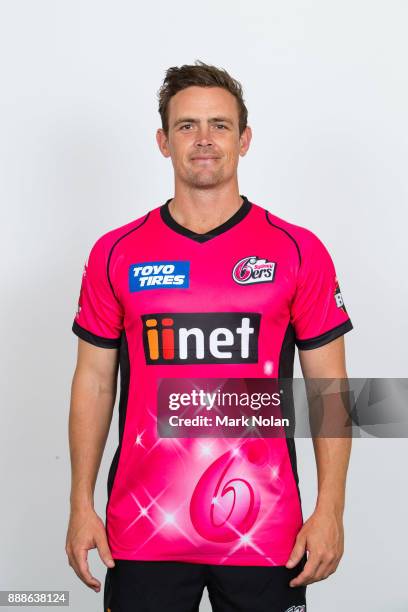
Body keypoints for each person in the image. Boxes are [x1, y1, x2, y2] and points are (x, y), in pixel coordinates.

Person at [65, 60, 353, 612]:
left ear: (244, 140)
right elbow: (95, 383)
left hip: (268, 534)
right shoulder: (115, 252)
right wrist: (80, 504)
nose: (204, 140)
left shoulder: (297, 250)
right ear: (162, 141)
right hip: (142, 534)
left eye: (220, 125)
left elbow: (331, 388)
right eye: (187, 125)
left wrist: (331, 510)